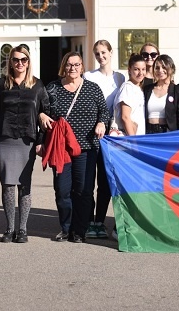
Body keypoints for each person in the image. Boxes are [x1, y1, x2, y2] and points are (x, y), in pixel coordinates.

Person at [46, 52, 109, 243]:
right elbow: (43, 109)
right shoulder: (53, 88)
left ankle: (79, 231)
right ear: (63, 67)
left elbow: (104, 111)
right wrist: (42, 116)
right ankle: (66, 228)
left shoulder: (92, 88)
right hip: (61, 148)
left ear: (82, 67)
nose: (73, 68)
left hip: (87, 148)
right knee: (63, 190)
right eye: (69, 65)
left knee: (83, 191)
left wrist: (102, 123)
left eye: (77, 64)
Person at [0, 44, 51, 244]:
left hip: (27, 140)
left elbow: (46, 113)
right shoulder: (2, 84)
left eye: (23, 60)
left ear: (28, 62)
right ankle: (9, 228)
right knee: (8, 185)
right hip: (5, 139)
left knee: (24, 185)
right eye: (16, 59)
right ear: (10, 62)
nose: (19, 63)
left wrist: (41, 141)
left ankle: (23, 229)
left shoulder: (37, 85)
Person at [83, 40, 125, 239]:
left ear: (111, 52)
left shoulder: (120, 77)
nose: (101, 56)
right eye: (97, 53)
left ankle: (100, 220)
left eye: (104, 52)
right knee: (88, 179)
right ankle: (89, 220)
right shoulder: (89, 76)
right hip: (92, 133)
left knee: (106, 181)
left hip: (113, 135)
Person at [143, 54, 179, 133]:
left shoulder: (178, 91)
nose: (160, 70)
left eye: (164, 67)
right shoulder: (147, 89)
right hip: (148, 132)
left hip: (167, 133)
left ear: (171, 69)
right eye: (157, 68)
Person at [114, 54, 147, 136]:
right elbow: (125, 117)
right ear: (129, 70)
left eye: (143, 69)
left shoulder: (139, 88)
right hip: (129, 139)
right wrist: (133, 141)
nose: (140, 73)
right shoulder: (127, 88)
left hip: (139, 137)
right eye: (136, 69)